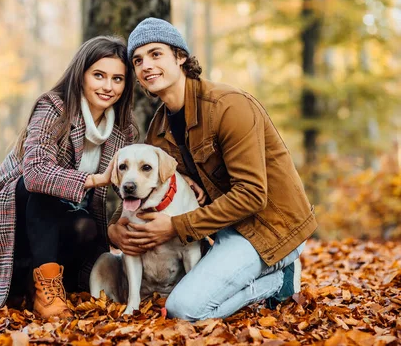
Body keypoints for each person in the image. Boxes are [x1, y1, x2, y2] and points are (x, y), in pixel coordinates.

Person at [107, 18, 317, 320]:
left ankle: (275, 280)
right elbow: (143, 186)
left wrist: (176, 226)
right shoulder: (160, 126)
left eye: (156, 54)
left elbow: (253, 195)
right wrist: (116, 229)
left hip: (270, 230)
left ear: (181, 57)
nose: (145, 66)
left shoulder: (229, 107)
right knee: (185, 296)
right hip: (222, 231)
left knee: (185, 309)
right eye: (138, 60)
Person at [0, 35, 138, 318]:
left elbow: (127, 186)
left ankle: (37, 283)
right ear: (81, 75)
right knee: (45, 191)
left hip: (68, 217)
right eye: (99, 75)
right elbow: (35, 174)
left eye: (117, 79)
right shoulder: (54, 107)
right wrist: (95, 180)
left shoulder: (124, 127)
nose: (108, 86)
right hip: (14, 211)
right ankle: (45, 288)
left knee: (88, 227)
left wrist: (120, 225)